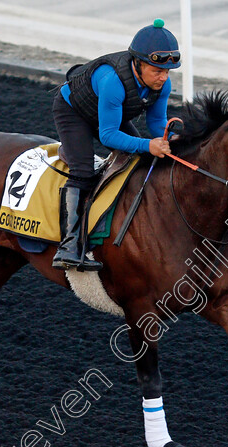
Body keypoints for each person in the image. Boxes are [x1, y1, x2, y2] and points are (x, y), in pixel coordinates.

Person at [52, 18, 181, 271]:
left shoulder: (162, 83)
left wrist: (169, 140)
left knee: (142, 159)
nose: (163, 77)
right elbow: (108, 136)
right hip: (74, 111)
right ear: (139, 63)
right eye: (157, 71)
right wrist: (148, 145)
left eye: (167, 72)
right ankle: (67, 247)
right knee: (83, 172)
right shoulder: (113, 81)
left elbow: (157, 124)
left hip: (109, 112)